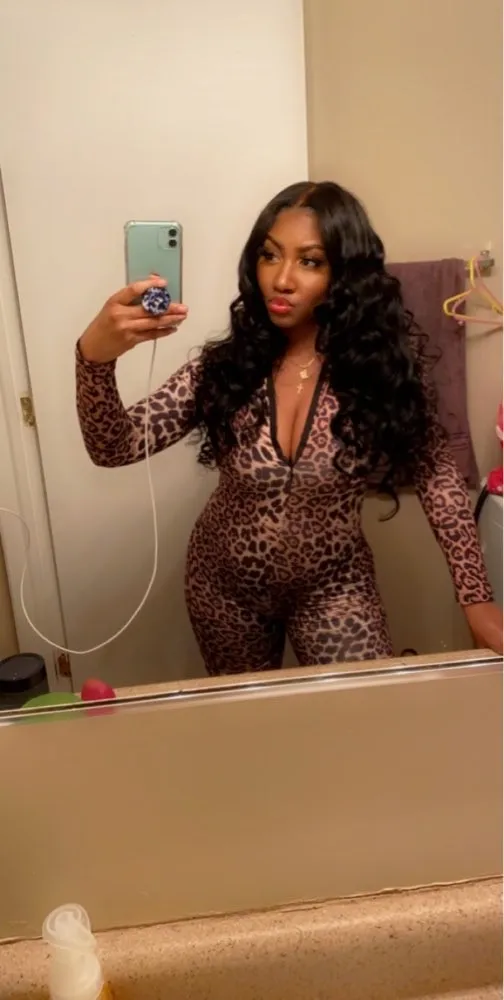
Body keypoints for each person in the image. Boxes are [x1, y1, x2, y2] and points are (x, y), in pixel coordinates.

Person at [76, 181, 503, 674]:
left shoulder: (381, 372)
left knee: (359, 710)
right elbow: (114, 446)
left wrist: (476, 599)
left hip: (334, 586)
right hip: (224, 588)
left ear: (345, 272)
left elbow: (435, 473)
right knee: (252, 716)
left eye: (310, 261)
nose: (281, 279)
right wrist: (93, 359)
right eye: (270, 255)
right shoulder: (225, 368)